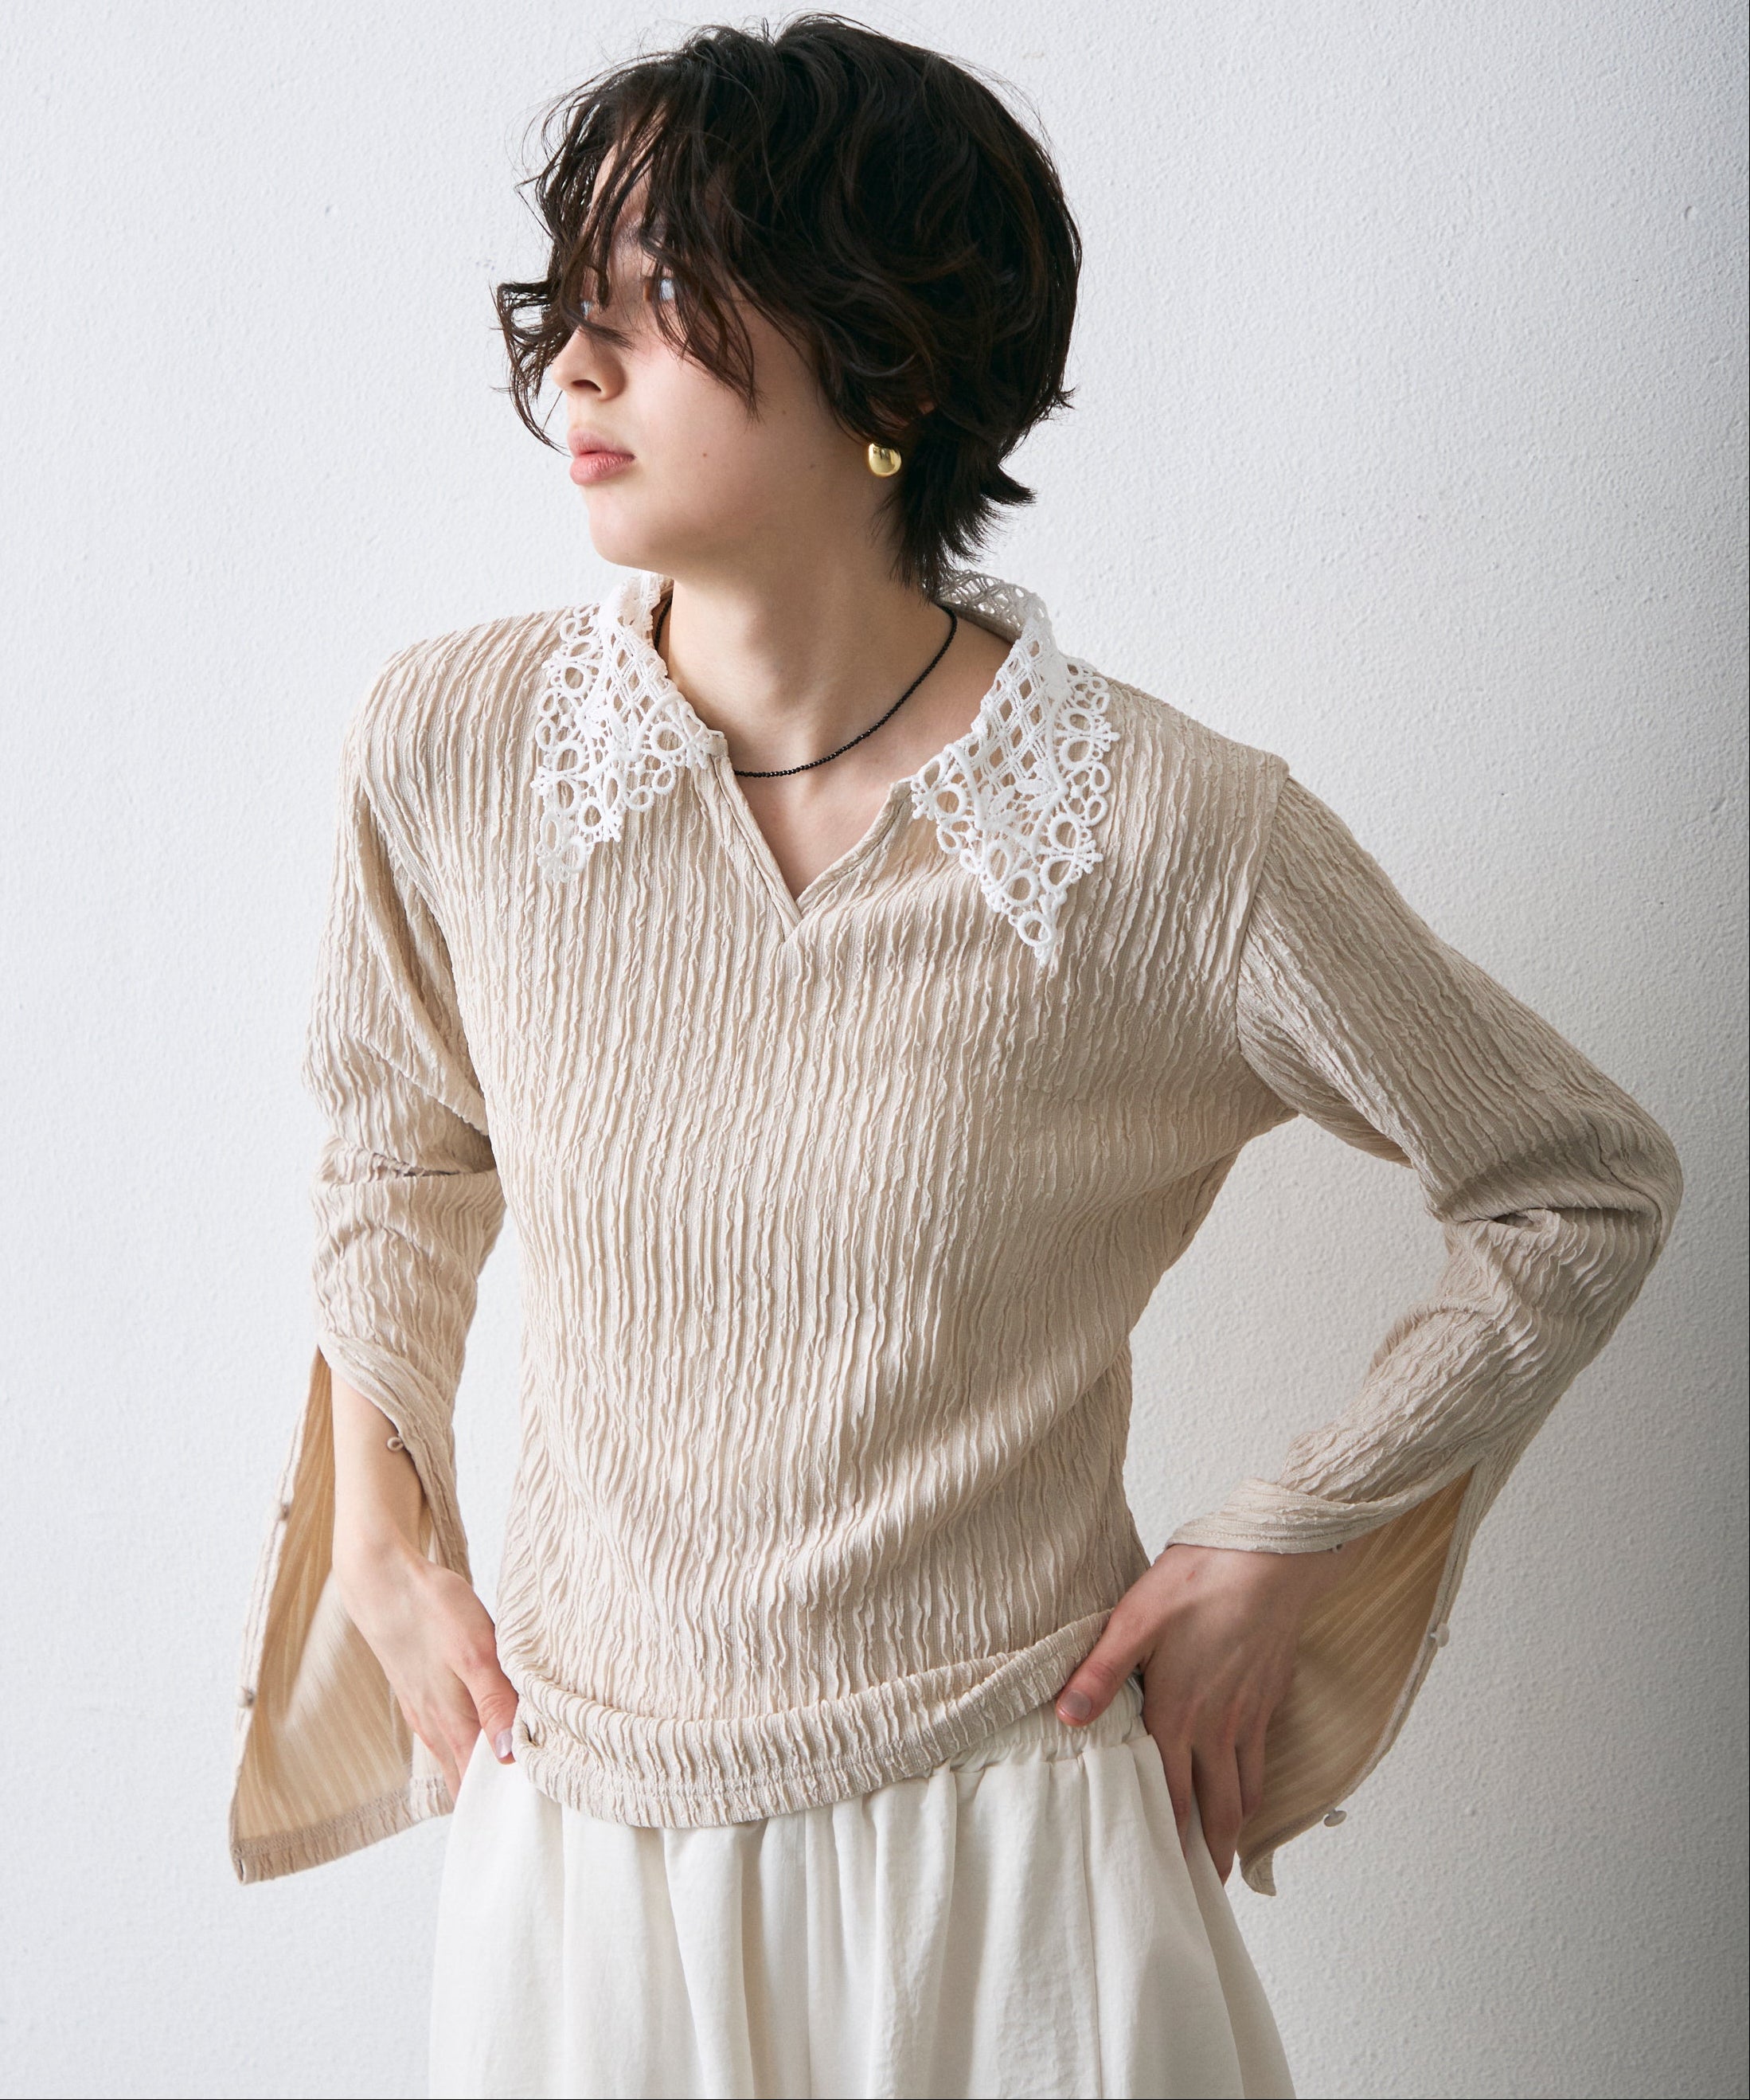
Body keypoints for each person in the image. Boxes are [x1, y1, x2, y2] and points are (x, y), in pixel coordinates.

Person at [227, 18, 1684, 2099]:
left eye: (664, 296)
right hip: (584, 1850)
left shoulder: (1168, 838)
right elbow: (402, 1144)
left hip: (1007, 1860)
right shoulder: (451, 746)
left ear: (889, 374)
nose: (577, 364)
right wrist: (379, 1535)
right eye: (575, 294)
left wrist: (1290, 1536)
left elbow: (1576, 1183)